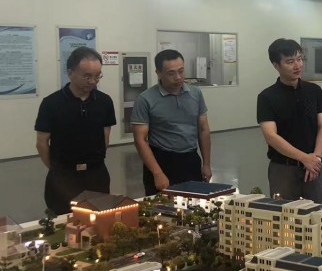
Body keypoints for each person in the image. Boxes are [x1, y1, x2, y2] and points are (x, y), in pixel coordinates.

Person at [34, 47, 116, 215]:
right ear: (70, 73)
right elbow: (42, 143)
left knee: (99, 217)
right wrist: (56, 169)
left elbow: (105, 137)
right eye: (87, 76)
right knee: (64, 221)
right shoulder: (51, 103)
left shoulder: (104, 101)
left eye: (97, 76)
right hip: (63, 176)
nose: (93, 81)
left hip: (96, 174)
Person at [257, 39, 322, 204]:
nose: (297, 65)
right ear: (276, 65)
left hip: (314, 166)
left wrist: (316, 158)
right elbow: (271, 136)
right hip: (283, 169)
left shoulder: (314, 91)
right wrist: (304, 158)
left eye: (299, 59)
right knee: (284, 215)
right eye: (290, 61)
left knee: (321, 212)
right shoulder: (267, 97)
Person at [131, 49, 212, 195]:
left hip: (190, 159)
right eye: (171, 73)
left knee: (194, 203)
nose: (178, 77)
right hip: (162, 161)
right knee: (161, 206)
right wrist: (157, 173)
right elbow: (140, 140)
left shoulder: (195, 94)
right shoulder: (145, 99)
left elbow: (203, 129)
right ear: (158, 73)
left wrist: (206, 164)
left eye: (181, 71)